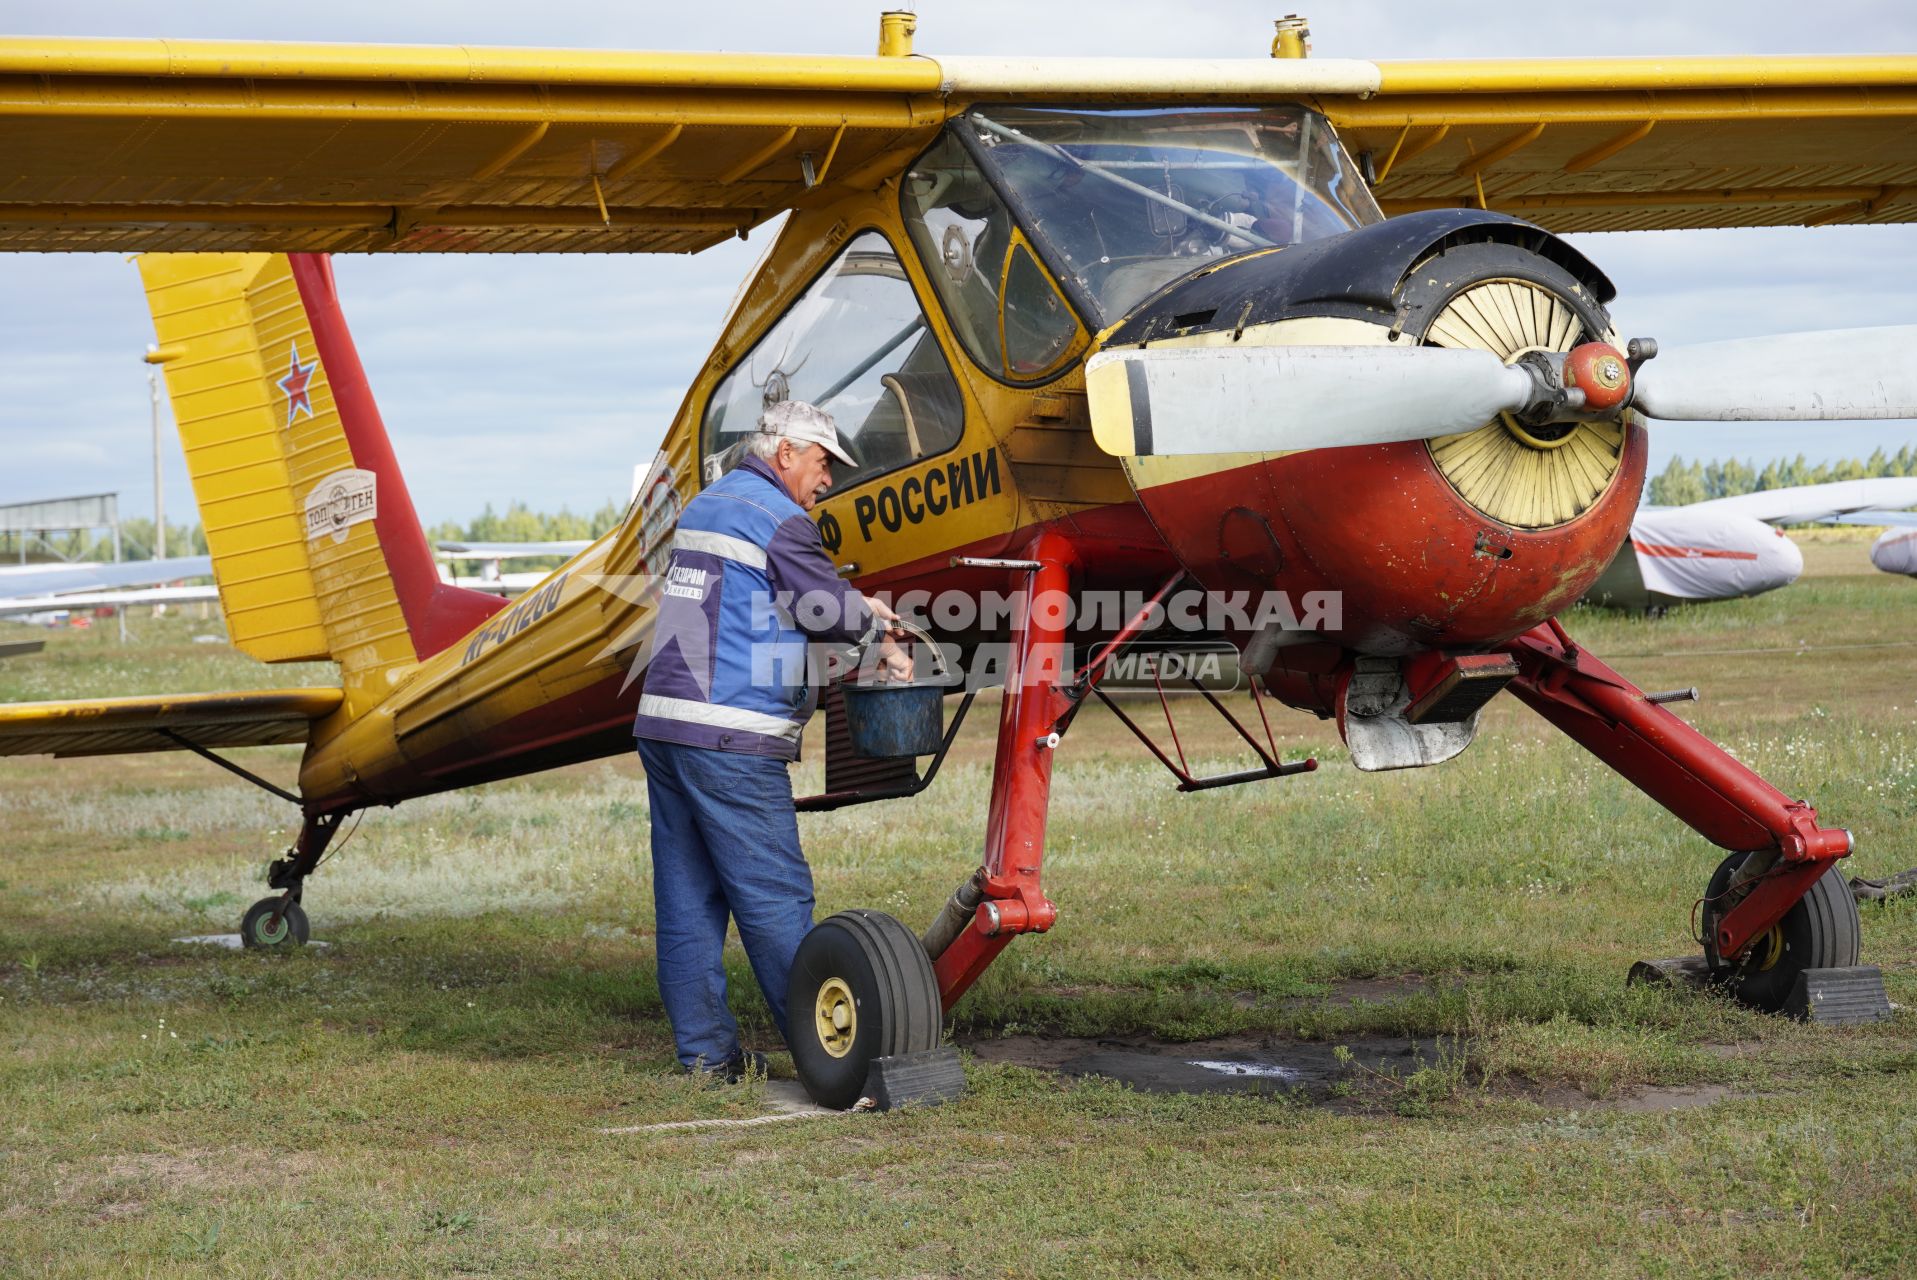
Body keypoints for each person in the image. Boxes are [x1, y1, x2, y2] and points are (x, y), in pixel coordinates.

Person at [633, 399, 910, 1080]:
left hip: (667, 727)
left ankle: (704, 1057)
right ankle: (831, 1058)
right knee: (774, 894)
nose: (825, 482)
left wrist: (854, 608)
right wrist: (883, 640)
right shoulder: (783, 519)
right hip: (731, 737)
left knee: (689, 898)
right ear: (785, 451)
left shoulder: (712, 504)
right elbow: (828, 616)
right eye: (821, 465)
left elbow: (758, 595)